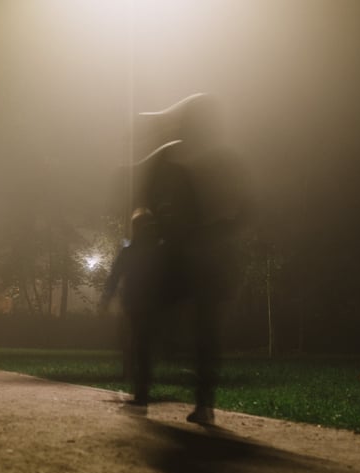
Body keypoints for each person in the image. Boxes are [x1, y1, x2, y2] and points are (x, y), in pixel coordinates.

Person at [132, 93, 255, 426]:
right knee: (154, 319)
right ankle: (147, 392)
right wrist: (146, 219)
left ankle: (200, 402)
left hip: (205, 255)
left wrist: (220, 229)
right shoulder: (170, 156)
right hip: (179, 254)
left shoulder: (223, 160)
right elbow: (141, 197)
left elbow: (248, 208)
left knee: (202, 329)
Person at [99, 209, 165, 413]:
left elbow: (114, 276)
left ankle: (141, 389)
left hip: (139, 304)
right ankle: (141, 386)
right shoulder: (154, 249)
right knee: (140, 344)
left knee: (139, 344)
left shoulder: (134, 250)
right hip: (144, 304)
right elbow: (115, 275)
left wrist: (106, 299)